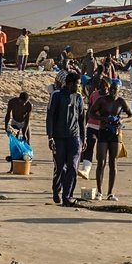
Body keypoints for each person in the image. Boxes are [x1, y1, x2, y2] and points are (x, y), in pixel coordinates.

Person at [46, 72, 86, 206]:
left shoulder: (79, 97)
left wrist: (83, 139)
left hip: (74, 137)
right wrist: (50, 137)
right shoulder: (56, 95)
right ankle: (56, 189)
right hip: (59, 137)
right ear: (70, 84)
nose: (79, 87)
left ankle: (67, 196)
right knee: (60, 167)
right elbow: (50, 116)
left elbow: (81, 119)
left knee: (73, 166)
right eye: (77, 84)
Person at [88, 79, 132, 201]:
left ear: (119, 90)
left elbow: (131, 115)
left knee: (113, 163)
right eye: (111, 89)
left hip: (115, 134)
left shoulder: (120, 102)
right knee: (101, 162)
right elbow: (91, 113)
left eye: (115, 89)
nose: (112, 91)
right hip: (103, 132)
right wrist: (103, 118)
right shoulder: (102, 100)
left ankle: (110, 192)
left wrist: (121, 120)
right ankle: (99, 192)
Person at [78, 80, 109, 180]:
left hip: (104, 128)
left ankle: (100, 173)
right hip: (92, 125)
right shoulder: (94, 95)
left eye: (104, 85)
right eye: (100, 84)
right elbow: (90, 110)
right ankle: (85, 171)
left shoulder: (110, 97)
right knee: (89, 147)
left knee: (101, 152)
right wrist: (85, 124)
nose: (102, 87)